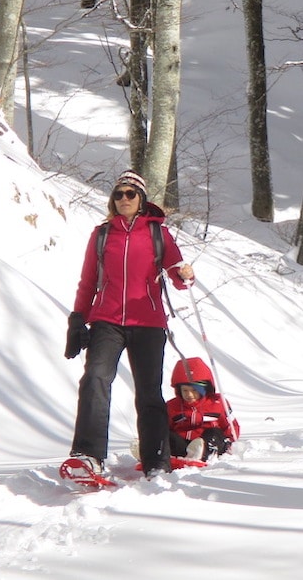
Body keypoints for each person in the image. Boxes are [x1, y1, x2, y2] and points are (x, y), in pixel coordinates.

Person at [65, 170, 196, 477]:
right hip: (106, 321)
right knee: (95, 378)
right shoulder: (101, 235)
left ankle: (157, 462)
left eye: (130, 194)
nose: (123, 199)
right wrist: (77, 320)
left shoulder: (157, 234)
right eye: (118, 194)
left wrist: (185, 275)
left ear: (141, 200)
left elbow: (178, 275)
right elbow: (87, 283)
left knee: (149, 392)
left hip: (148, 322)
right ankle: (88, 456)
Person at [166, 357, 240, 460]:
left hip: (208, 443)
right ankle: (157, 452)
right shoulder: (173, 406)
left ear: (204, 389)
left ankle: (204, 453)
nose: (189, 394)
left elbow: (231, 426)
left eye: (194, 390)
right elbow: (166, 427)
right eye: (185, 390)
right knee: (168, 436)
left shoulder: (217, 403)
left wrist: (229, 440)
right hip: (183, 446)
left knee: (214, 433)